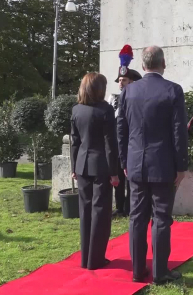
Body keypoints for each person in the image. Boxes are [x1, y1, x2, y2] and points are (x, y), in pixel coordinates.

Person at [117, 46, 189, 284]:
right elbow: (179, 132)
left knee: (137, 217)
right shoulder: (173, 90)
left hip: (136, 162)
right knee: (160, 219)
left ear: (144, 65)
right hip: (163, 164)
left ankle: (138, 271)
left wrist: (124, 161)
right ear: (163, 63)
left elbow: (121, 129)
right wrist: (181, 166)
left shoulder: (128, 92)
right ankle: (159, 272)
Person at [70, 73, 120, 270]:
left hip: (82, 165)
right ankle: (96, 259)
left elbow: (75, 141)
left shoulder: (76, 110)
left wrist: (74, 167)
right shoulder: (105, 110)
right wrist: (114, 172)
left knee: (85, 211)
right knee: (100, 212)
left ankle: (86, 259)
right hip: (101, 167)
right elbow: (110, 144)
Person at [107, 44, 143, 217]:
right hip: (115, 143)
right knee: (118, 177)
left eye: (124, 80)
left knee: (129, 177)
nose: (121, 83)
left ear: (132, 82)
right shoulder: (113, 100)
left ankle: (129, 207)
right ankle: (119, 206)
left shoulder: (135, 99)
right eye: (120, 80)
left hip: (130, 143)